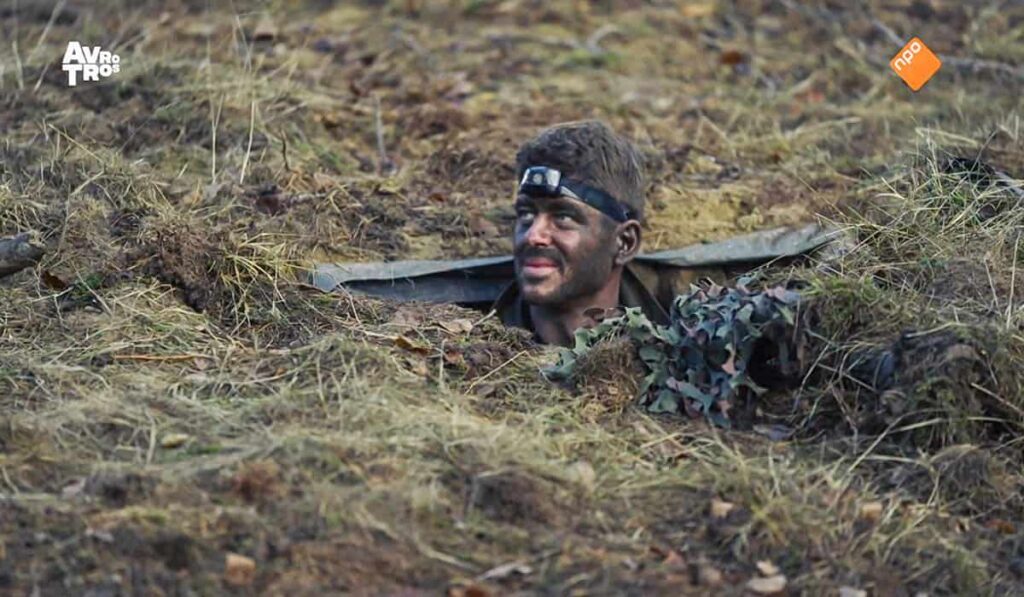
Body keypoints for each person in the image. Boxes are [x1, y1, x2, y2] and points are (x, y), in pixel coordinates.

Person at [492, 120, 672, 346]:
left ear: (625, 242)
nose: (533, 235)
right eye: (527, 214)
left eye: (563, 217)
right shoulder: (474, 347)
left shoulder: (677, 349)